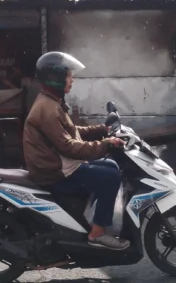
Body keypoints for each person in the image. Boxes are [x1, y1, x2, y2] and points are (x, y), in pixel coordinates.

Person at [23, 51, 129, 251]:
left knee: (110, 165)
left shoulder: (51, 102)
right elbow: (68, 146)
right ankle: (97, 233)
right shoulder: (48, 108)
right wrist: (105, 143)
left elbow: (71, 132)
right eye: (69, 75)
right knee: (110, 177)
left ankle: (92, 218)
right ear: (55, 78)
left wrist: (102, 130)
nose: (72, 79)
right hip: (55, 173)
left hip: (59, 164)